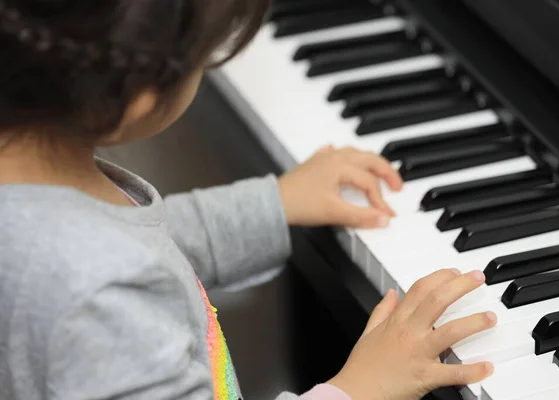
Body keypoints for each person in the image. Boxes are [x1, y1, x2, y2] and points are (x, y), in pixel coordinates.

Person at [0, 0, 497, 399]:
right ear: (141, 96)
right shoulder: (101, 297)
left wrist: (273, 205)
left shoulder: (38, 201)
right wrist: (363, 388)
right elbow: (115, 266)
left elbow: (137, 239)